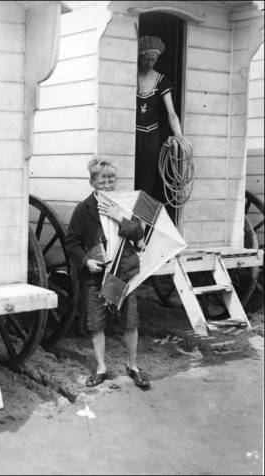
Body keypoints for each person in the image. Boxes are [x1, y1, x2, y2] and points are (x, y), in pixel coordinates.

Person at [65, 158, 151, 389]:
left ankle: (133, 366)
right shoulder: (84, 210)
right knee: (96, 323)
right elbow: (72, 242)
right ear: (92, 182)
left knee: (130, 322)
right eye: (102, 180)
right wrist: (86, 261)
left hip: (123, 272)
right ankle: (101, 368)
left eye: (111, 179)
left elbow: (138, 233)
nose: (108, 183)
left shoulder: (125, 204)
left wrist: (119, 216)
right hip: (97, 276)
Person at [135, 35, 184, 203]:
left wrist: (180, 138)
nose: (149, 63)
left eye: (153, 60)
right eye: (146, 59)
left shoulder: (161, 80)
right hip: (133, 135)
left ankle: (140, 225)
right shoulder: (130, 76)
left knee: (146, 182)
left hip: (150, 138)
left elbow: (172, 114)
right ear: (140, 56)